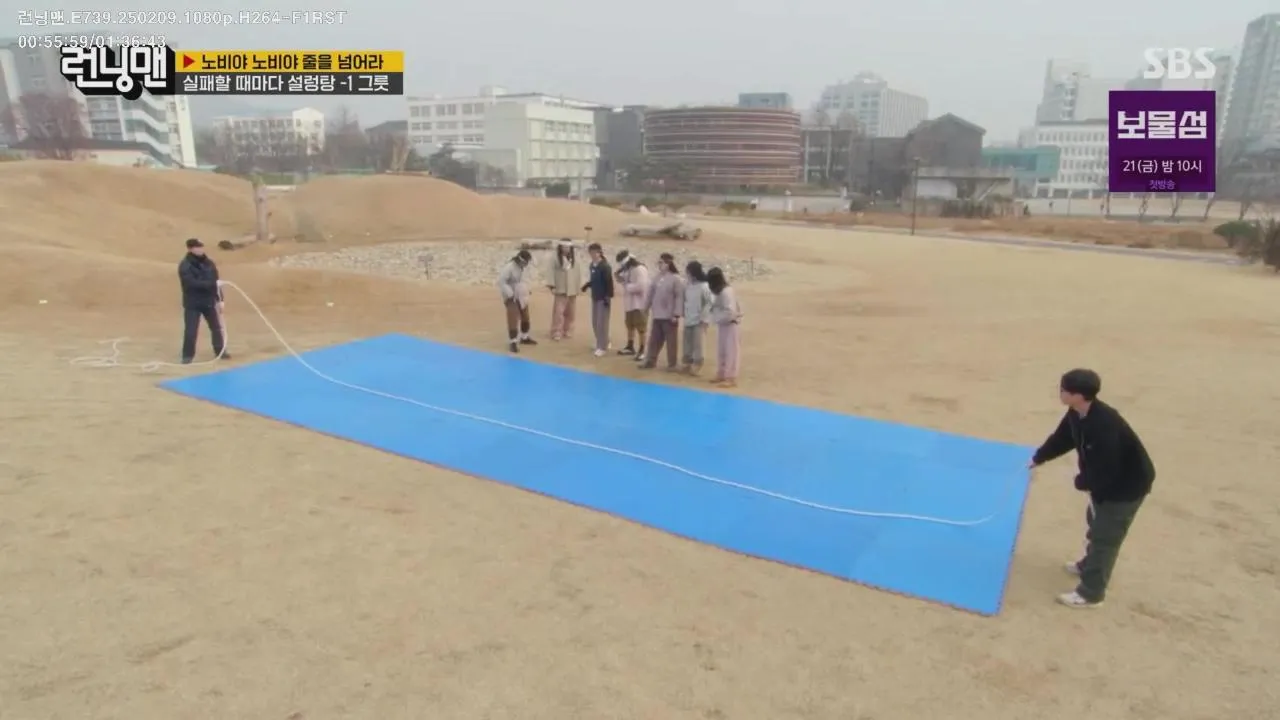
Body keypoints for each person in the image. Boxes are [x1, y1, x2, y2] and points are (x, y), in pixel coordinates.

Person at [1029, 368, 1155, 609]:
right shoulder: (1077, 413)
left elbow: (1107, 468)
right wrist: (1039, 457)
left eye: (1064, 390)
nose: (1060, 392)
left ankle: (1091, 594)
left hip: (1125, 487)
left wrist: (1082, 482)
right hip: (1104, 483)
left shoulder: (1104, 425)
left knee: (1105, 538)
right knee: (1095, 520)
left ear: (1079, 395)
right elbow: (1063, 437)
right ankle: (1088, 565)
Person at [178, 238, 229, 363]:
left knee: (216, 328)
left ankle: (220, 351)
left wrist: (220, 299)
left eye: (201, 247)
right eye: (197, 247)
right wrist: (210, 284)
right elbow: (191, 283)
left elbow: (217, 282)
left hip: (208, 301)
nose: (200, 249)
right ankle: (187, 356)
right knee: (191, 331)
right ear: (190, 249)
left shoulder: (209, 263)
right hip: (193, 303)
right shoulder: (185, 265)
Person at [640, 252, 685, 370]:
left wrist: (676, 314)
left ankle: (672, 364)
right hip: (657, 314)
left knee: (671, 341)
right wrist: (645, 307)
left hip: (669, 316)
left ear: (668, 264)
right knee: (654, 340)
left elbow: (679, 297)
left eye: (661, 263)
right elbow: (650, 294)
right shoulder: (657, 277)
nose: (659, 265)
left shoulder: (676, 279)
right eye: (659, 263)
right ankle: (650, 360)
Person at [707, 266, 743, 387]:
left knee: (731, 351)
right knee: (721, 350)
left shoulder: (727, 292)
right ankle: (721, 373)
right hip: (722, 324)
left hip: (730, 324)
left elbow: (730, 312)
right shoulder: (720, 292)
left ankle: (731, 377)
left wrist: (719, 317)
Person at [498, 249, 537, 352]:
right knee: (513, 317)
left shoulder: (525, 268)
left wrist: (527, 289)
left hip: (522, 294)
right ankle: (513, 341)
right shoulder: (509, 268)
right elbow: (502, 282)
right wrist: (510, 294)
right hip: (511, 295)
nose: (526, 264)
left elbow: (526, 280)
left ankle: (524, 337)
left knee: (525, 315)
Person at [680, 260, 714, 375]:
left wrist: (704, 317)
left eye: (688, 273)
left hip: (699, 320)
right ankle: (687, 363)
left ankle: (697, 364)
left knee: (698, 344)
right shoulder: (688, 286)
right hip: (688, 318)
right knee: (687, 343)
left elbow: (709, 302)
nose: (687, 275)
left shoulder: (704, 286)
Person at [614, 250, 650, 357]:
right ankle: (630, 346)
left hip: (640, 304)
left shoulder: (640, 269)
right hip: (630, 303)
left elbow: (641, 286)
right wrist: (620, 279)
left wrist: (626, 285)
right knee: (630, 325)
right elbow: (625, 281)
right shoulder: (629, 269)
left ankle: (642, 350)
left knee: (641, 327)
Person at [581, 242, 614, 357]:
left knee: (602, 323)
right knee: (595, 322)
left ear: (599, 252)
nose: (592, 255)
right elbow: (594, 280)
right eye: (590, 252)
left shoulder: (605, 266)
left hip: (603, 298)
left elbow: (609, 283)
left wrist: (607, 297)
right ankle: (604, 341)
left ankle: (602, 347)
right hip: (595, 296)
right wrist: (587, 285)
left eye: (594, 252)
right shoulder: (592, 265)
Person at [546, 239, 583, 341]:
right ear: (560, 248)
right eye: (564, 247)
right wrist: (552, 286)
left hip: (572, 289)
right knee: (558, 312)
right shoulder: (555, 258)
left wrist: (578, 287)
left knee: (570, 312)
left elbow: (578, 273)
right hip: (560, 288)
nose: (566, 249)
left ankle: (567, 330)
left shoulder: (574, 259)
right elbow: (550, 272)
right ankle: (556, 331)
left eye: (568, 247)